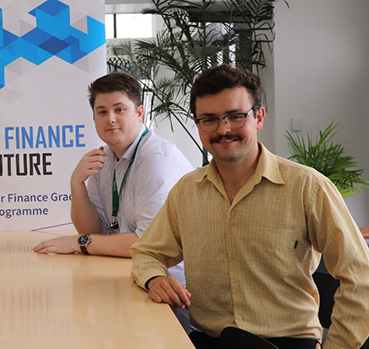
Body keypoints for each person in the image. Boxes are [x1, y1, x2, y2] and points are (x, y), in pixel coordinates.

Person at [130, 65, 369, 349]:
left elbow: (360, 276)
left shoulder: (308, 187)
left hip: (286, 343)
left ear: (259, 117)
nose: (223, 129)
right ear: (198, 124)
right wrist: (155, 278)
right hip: (207, 341)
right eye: (209, 119)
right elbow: (146, 252)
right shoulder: (187, 191)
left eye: (235, 116)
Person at [33, 72, 192, 280]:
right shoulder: (105, 157)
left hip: (171, 289)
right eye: (102, 112)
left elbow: (147, 243)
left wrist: (78, 242)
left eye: (119, 109)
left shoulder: (156, 159)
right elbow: (93, 229)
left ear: (139, 113)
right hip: (127, 276)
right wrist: (77, 183)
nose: (110, 119)